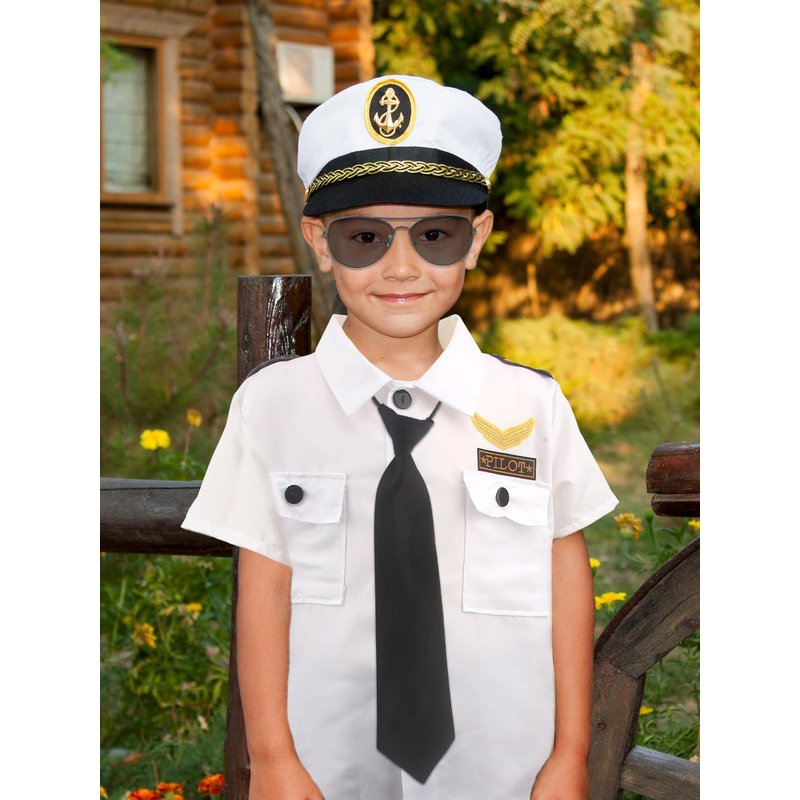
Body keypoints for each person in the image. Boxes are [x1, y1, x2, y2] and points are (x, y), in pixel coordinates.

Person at [182, 74, 618, 800]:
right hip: (327, 768)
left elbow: (565, 574)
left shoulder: (531, 406)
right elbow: (263, 584)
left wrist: (570, 755)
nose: (402, 267)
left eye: (435, 235)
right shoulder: (274, 407)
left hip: (503, 768)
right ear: (319, 240)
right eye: (365, 238)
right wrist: (273, 760)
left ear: (477, 238)